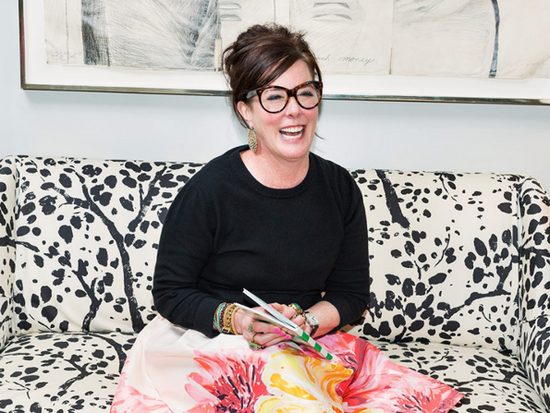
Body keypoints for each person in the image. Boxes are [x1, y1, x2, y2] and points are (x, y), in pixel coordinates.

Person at [110, 24, 463, 413]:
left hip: (303, 343)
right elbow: (170, 292)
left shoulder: (340, 189)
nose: (294, 109)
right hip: (210, 343)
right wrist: (241, 320)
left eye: (305, 93)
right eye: (274, 97)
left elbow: (350, 295)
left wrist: (304, 323)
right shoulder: (209, 190)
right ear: (246, 111)